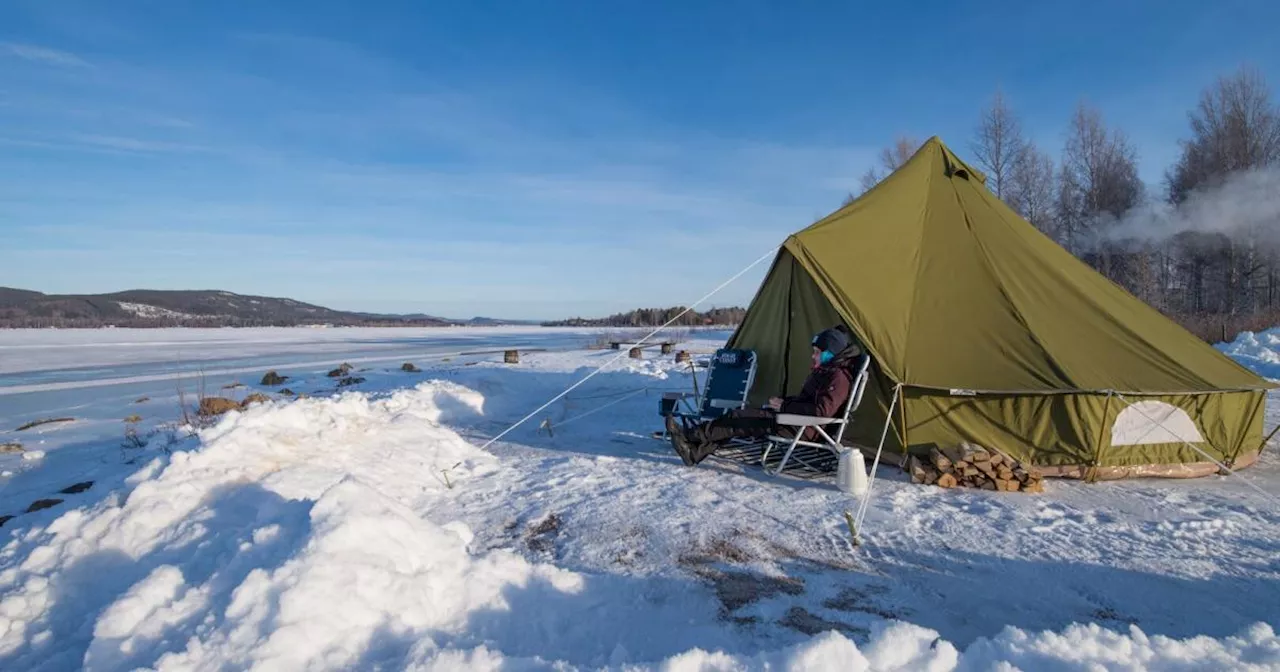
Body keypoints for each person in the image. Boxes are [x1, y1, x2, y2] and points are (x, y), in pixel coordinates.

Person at [665, 326, 863, 466]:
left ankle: (689, 436)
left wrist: (784, 407)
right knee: (739, 420)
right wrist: (784, 403)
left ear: (830, 353)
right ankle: (694, 452)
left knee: (738, 418)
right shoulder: (827, 372)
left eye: (817, 352)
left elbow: (821, 411)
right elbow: (810, 401)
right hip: (795, 420)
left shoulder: (838, 378)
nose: (813, 356)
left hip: (801, 427)